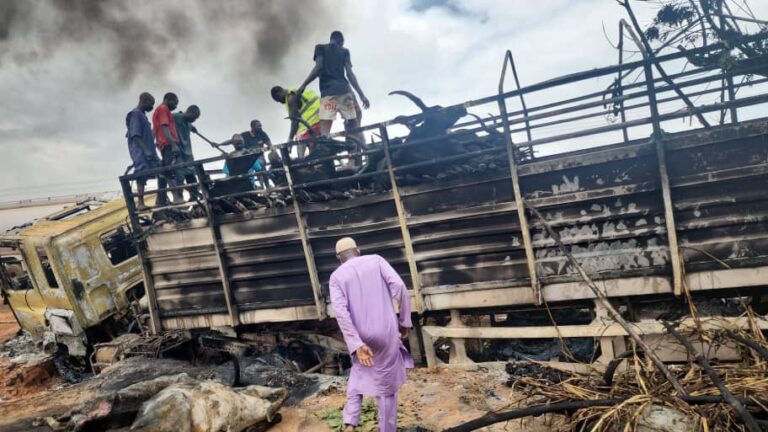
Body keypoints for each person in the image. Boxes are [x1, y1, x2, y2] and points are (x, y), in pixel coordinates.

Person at [329, 237, 413, 432]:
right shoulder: (376, 260)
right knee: (385, 390)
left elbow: (340, 312)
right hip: (386, 332)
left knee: (358, 373)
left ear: (338, 257)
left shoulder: (336, 277)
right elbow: (400, 287)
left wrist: (357, 343)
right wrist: (404, 321)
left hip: (360, 337)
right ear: (358, 250)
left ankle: (350, 423)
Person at [297, 30, 370, 151]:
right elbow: (350, 74)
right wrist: (361, 95)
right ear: (340, 41)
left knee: (325, 133)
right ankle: (352, 160)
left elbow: (318, 67)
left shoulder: (320, 48)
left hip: (328, 94)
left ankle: (327, 161)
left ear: (331, 38)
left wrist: (303, 85)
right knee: (353, 128)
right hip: (344, 93)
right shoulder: (345, 51)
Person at [125, 92, 160, 211]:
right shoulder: (135, 114)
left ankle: (162, 199)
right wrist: (145, 150)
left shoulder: (143, 115)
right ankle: (140, 203)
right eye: (151, 104)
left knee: (161, 171)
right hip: (141, 152)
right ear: (144, 101)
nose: (152, 107)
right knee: (142, 174)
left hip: (150, 151)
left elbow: (146, 134)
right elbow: (135, 135)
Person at [270, 86, 320, 159]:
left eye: (279, 100)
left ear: (279, 93)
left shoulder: (291, 97)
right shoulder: (295, 90)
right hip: (320, 118)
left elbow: (295, 121)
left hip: (313, 120)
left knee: (301, 143)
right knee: (315, 147)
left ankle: (303, 164)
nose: (281, 103)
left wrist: (290, 139)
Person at [152, 92, 184, 205]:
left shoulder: (158, 111)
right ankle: (177, 198)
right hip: (168, 145)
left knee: (166, 172)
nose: (175, 106)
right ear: (168, 99)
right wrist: (173, 144)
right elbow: (164, 127)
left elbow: (154, 130)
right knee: (173, 171)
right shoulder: (163, 109)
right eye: (175, 103)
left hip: (164, 145)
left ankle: (162, 200)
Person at [173, 105, 201, 200]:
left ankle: (194, 197)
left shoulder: (189, 123)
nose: (194, 120)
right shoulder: (176, 117)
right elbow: (163, 123)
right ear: (188, 112)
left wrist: (192, 127)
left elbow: (190, 125)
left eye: (196, 119)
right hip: (179, 153)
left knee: (191, 176)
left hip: (188, 154)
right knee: (179, 177)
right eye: (193, 117)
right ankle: (179, 198)